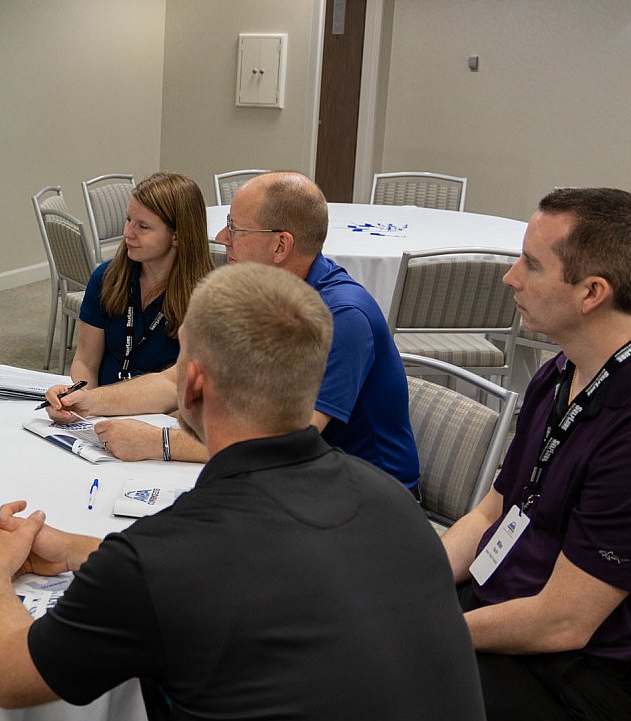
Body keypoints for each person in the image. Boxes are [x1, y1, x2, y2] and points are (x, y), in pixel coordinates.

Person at [0, 263, 504, 721]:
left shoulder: (166, 554)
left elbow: (6, 675)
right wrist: (81, 551)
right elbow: (263, 564)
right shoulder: (392, 503)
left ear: (192, 385)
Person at [442, 187, 631, 721]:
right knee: (334, 632)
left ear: (592, 293)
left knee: (350, 687)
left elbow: (563, 623)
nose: (511, 278)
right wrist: (413, 587)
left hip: (574, 675)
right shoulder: (564, 370)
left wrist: (419, 631)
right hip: (507, 605)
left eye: (532, 265)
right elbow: (493, 512)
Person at [45, 171, 420, 490]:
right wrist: (88, 402)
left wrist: (160, 442)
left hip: (362, 495)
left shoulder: (342, 316)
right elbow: (174, 380)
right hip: (300, 475)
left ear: (280, 245)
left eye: (236, 229)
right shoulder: (266, 291)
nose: (222, 237)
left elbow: (287, 442)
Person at [67, 171, 213, 388]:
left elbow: (188, 388)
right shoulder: (107, 278)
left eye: (143, 226)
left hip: (161, 408)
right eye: (128, 220)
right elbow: (85, 362)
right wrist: (81, 397)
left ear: (177, 236)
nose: (128, 233)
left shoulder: (207, 299)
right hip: (99, 403)